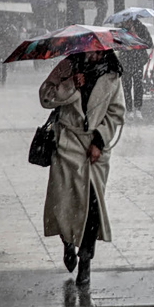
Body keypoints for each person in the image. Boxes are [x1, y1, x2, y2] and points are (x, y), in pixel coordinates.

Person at [39, 49, 125, 285]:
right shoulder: (67, 66)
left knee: (93, 208)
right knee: (64, 204)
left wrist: (99, 141)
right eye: (91, 50)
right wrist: (70, 85)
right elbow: (45, 97)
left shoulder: (112, 74)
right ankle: (67, 242)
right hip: (67, 144)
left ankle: (86, 259)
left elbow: (116, 113)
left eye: (100, 51)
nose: (95, 55)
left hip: (95, 153)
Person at [119, 18, 154, 120]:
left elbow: (149, 44)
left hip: (138, 61)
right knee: (126, 85)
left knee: (138, 84)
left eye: (128, 20)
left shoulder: (141, 28)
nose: (126, 23)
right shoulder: (120, 31)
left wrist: (136, 37)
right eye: (125, 21)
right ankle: (129, 109)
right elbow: (116, 44)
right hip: (125, 61)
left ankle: (138, 109)